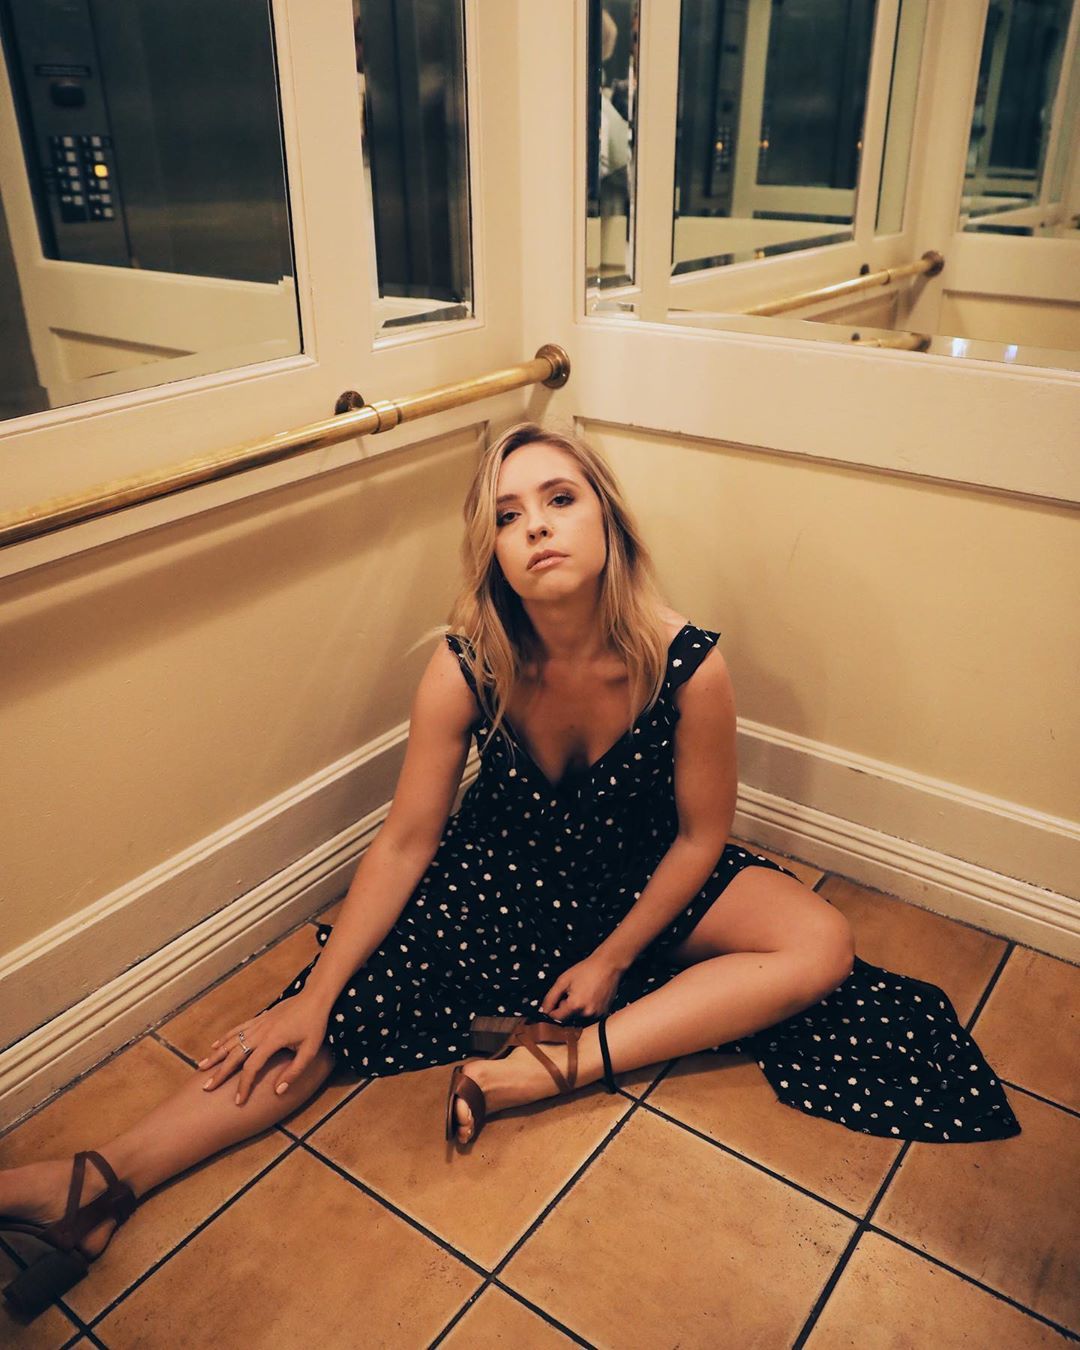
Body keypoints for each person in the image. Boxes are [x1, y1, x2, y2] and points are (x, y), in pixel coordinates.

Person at [0, 423, 1020, 1318]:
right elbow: (407, 842)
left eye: (560, 499)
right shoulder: (465, 663)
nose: (536, 526)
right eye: (507, 515)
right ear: (490, 551)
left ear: (609, 520)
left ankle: (550, 1069)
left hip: (640, 875)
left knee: (820, 942)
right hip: (500, 880)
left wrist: (615, 957)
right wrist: (315, 993)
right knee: (323, 1019)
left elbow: (700, 839)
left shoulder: (690, 665)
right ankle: (97, 1183)